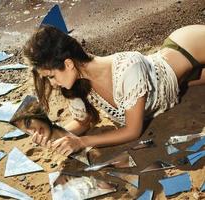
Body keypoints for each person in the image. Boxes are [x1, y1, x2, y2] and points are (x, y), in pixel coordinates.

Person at [22, 24, 205, 156]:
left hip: (189, 46)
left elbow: (132, 131)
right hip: (183, 80)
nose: (52, 84)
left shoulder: (128, 68)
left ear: (68, 64)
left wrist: (82, 142)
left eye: (51, 76)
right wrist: (53, 133)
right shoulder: (76, 86)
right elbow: (84, 122)